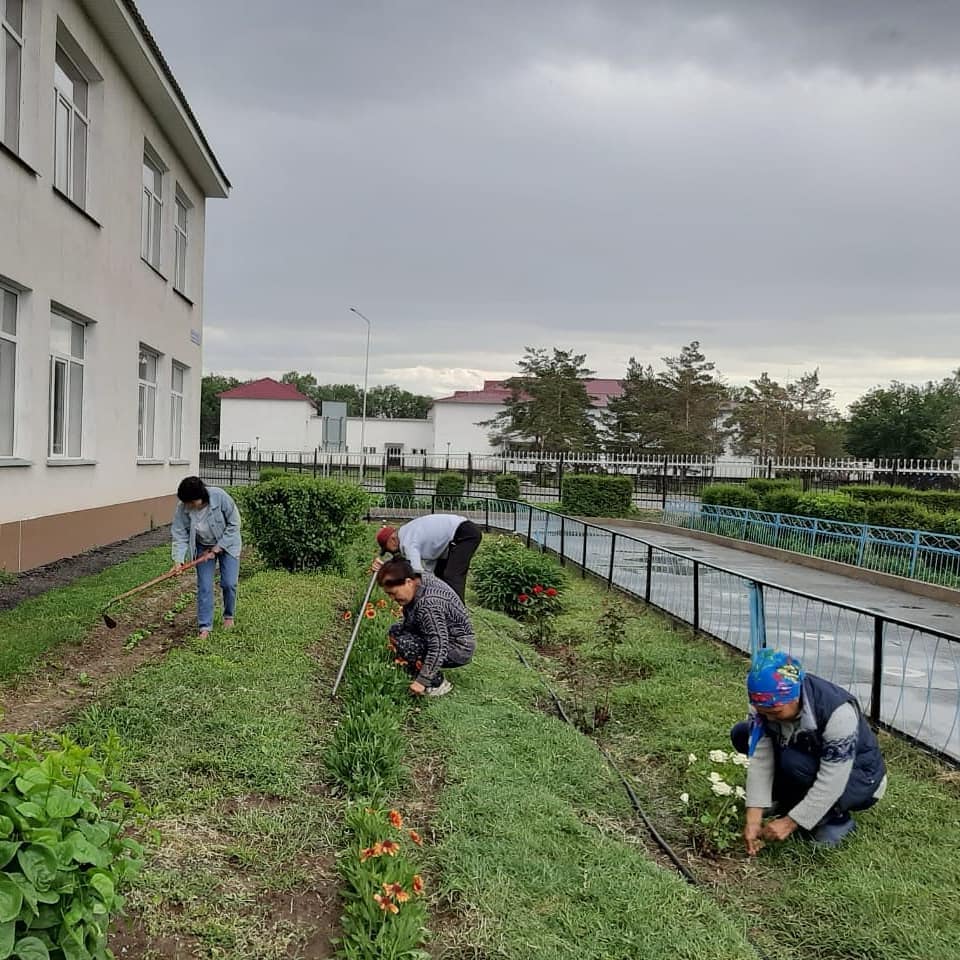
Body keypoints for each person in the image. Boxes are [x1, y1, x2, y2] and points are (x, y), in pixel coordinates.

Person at [731, 649, 887, 852]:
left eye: (775, 712)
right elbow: (761, 757)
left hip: (859, 779)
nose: (768, 718)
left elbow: (832, 780)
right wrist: (753, 815)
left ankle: (836, 820)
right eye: (762, 712)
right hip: (810, 757)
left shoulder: (838, 713)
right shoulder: (765, 703)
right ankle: (788, 799)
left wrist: (790, 822)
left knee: (793, 761)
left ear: (794, 698)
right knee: (743, 733)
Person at [376, 558, 476, 697]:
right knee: (396, 631)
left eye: (393, 593)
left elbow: (439, 645)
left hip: (459, 646)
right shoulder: (418, 579)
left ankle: (437, 684)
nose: (392, 599)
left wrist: (422, 681)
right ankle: (416, 667)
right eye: (389, 594)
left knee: (407, 645)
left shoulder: (428, 605)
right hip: (444, 635)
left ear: (408, 582)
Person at [171, 476, 242, 639]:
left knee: (229, 583)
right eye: (185, 502)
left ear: (200, 497)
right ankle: (205, 626)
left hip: (228, 543)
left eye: (190, 502)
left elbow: (234, 524)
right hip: (202, 547)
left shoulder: (220, 497)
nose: (187, 506)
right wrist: (178, 560)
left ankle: (228, 616)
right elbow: (180, 533)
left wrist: (218, 548)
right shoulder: (183, 507)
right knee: (204, 586)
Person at [373, 514, 482, 601]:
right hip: (453, 539)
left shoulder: (407, 541)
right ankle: (443, 610)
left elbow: (416, 572)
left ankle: (459, 618)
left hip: (464, 533)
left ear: (392, 539)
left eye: (389, 549)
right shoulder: (408, 533)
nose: (392, 553)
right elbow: (428, 571)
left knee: (452, 577)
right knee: (440, 579)